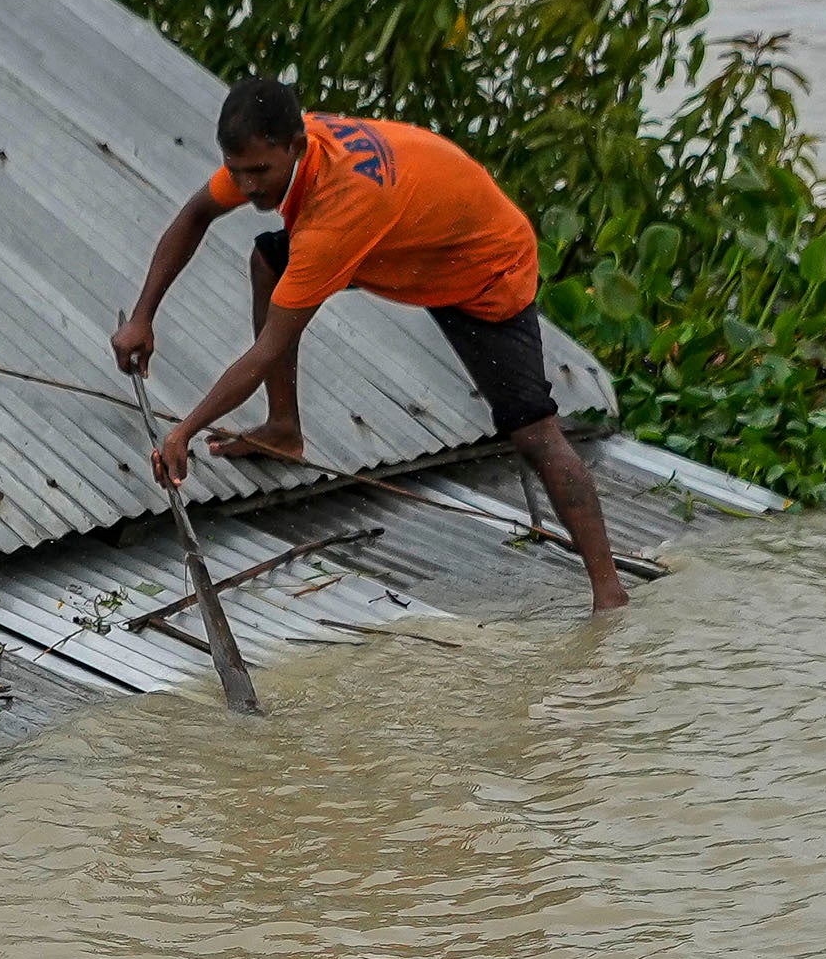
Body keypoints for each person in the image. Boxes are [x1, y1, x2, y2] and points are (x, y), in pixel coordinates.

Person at [108, 75, 633, 610]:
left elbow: (269, 347)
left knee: (534, 432)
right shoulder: (278, 146)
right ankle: (284, 429)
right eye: (237, 173)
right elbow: (197, 213)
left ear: (296, 147)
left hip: (482, 265)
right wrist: (143, 317)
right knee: (269, 257)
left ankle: (608, 593)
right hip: (410, 238)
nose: (248, 188)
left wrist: (185, 432)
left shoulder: (339, 212)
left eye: (260, 173)